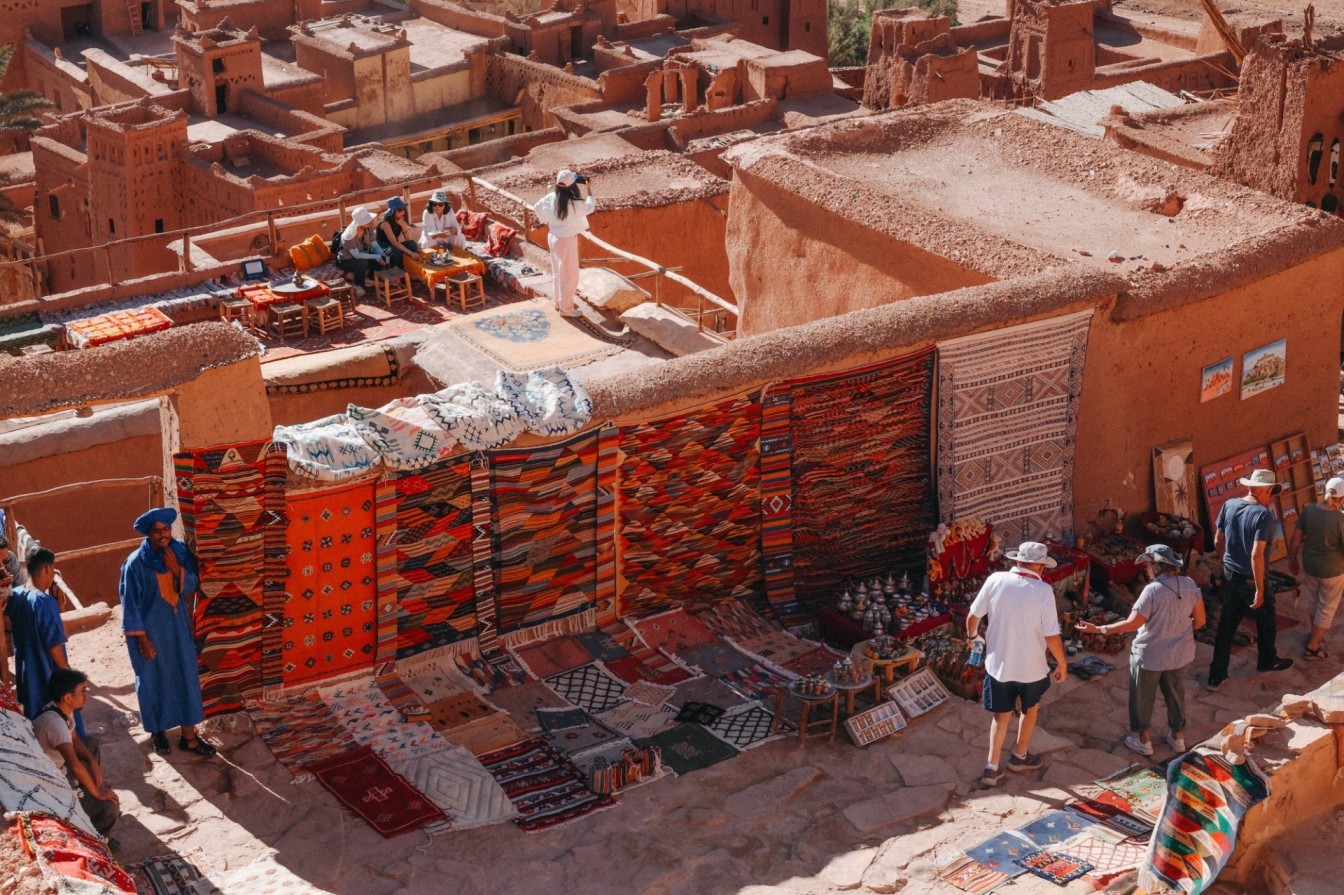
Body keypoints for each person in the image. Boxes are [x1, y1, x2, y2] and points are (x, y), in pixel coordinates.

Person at [1076, 544, 1205, 756]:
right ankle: (1178, 737)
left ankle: (1143, 740)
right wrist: (1178, 630)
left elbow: (1132, 624)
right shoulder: (1189, 584)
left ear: (1156, 566)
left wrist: (1098, 629)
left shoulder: (1152, 591)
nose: (1146, 569)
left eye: (1147, 565)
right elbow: (1200, 621)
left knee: (1142, 696)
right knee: (1175, 693)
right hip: (1180, 654)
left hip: (1150, 655)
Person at [966, 541, 1068, 788]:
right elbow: (1051, 636)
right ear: (1041, 567)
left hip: (999, 665)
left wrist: (972, 638)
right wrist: (1062, 663)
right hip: (1032, 668)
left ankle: (991, 768)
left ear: (1018, 561)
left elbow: (972, 617)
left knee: (1001, 716)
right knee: (1029, 709)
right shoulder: (1043, 591)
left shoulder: (995, 580)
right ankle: (1019, 756)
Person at [120, 508, 216, 758]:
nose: (163, 535)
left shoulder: (179, 552)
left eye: (166, 529)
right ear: (148, 534)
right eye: (157, 531)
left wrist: (176, 569)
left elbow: (194, 584)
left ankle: (189, 737)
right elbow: (130, 606)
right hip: (151, 632)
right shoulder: (135, 564)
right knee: (153, 679)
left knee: (185, 676)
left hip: (177, 628)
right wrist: (143, 640)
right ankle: (158, 732)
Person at [1208, 468, 1294, 690]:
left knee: (1227, 625)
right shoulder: (1263, 516)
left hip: (1230, 574)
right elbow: (1257, 554)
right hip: (1251, 578)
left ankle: (1216, 675)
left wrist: (1225, 562)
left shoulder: (1229, 505)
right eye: (1271, 491)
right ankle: (1267, 660)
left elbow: (1218, 540)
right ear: (1265, 490)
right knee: (1267, 620)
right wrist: (1259, 588)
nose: (1270, 496)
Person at [33, 668, 120, 846]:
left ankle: (88, 788)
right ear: (68, 697)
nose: (86, 696)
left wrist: (93, 763)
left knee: (91, 745)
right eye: (82, 692)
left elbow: (75, 739)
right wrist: (98, 793)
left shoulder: (60, 708)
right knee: (109, 807)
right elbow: (75, 766)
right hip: (49, 783)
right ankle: (97, 838)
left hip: (57, 766)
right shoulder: (55, 724)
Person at [6, 548, 83, 735]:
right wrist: (69, 673)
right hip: (47, 671)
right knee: (60, 718)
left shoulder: (16, 595)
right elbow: (53, 644)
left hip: (27, 671)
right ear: (48, 568)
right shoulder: (43, 601)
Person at [1287, 476, 1344, 661]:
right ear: (1341, 499)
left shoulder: (1309, 510)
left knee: (1313, 600)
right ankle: (1312, 646)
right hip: (1333, 571)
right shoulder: (1340, 519)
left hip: (1310, 566)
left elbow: (1295, 540)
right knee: (1326, 607)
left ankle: (1314, 635)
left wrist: (1292, 559)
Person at [531, 168, 595, 318]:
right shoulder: (574, 203)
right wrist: (589, 189)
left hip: (553, 237)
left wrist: (548, 220)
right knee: (570, 276)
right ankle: (566, 308)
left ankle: (559, 302)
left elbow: (536, 207)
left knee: (558, 272)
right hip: (566, 241)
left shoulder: (551, 197)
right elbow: (590, 207)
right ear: (572, 186)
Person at [336, 206, 387, 291]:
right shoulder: (349, 235)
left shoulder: (368, 228)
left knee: (381, 259)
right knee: (361, 263)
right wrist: (376, 256)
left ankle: (372, 280)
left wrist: (380, 255)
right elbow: (356, 255)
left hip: (363, 255)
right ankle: (359, 287)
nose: (368, 222)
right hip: (347, 260)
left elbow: (374, 244)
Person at [376, 196, 420, 269]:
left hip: (393, 245)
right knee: (396, 252)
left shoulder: (399, 220)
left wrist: (404, 227)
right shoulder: (385, 223)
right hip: (383, 247)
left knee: (412, 244)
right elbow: (394, 242)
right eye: (399, 210)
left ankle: (407, 265)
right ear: (393, 211)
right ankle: (395, 270)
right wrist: (410, 253)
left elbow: (409, 240)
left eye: (403, 209)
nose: (402, 212)